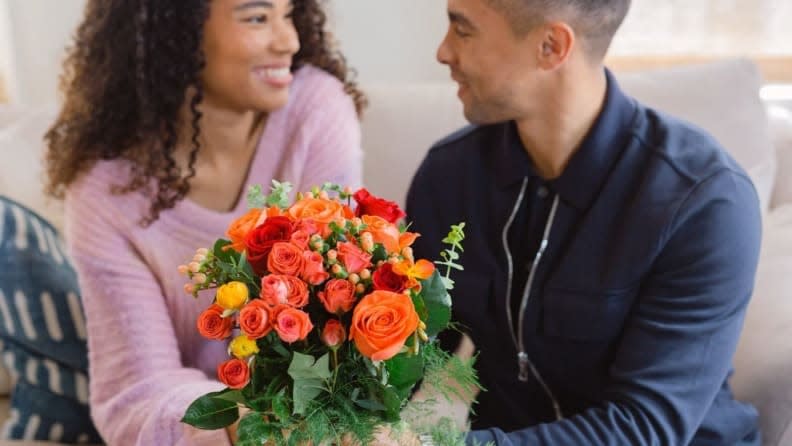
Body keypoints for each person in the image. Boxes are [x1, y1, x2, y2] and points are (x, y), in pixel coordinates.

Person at [406, 0, 762, 445]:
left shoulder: (700, 198)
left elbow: (645, 428)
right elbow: (411, 350)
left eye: (463, 30)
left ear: (551, 46)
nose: (443, 52)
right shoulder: (449, 175)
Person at [44, 0, 364, 444]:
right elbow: (137, 392)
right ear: (175, 30)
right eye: (256, 17)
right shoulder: (104, 190)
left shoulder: (316, 111)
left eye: (288, 14)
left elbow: (335, 327)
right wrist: (240, 421)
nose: (288, 40)